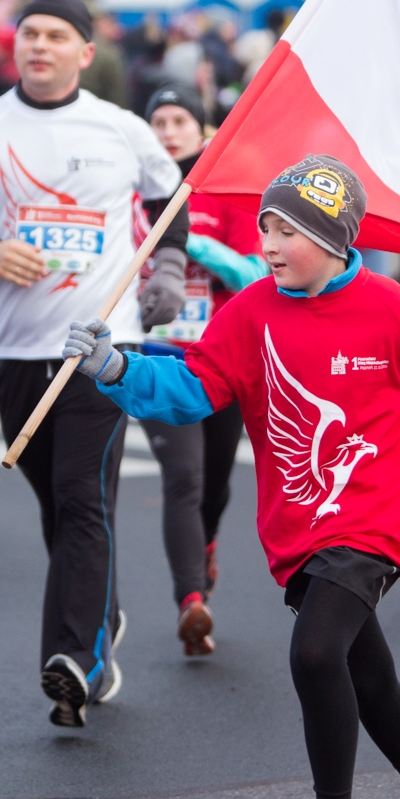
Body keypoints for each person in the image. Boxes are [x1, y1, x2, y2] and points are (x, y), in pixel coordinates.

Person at [62, 155, 400, 799]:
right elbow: (193, 387)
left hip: (375, 515)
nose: (271, 244)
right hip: (298, 524)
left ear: (336, 240)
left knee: (315, 654)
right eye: (266, 228)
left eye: (289, 231)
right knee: (361, 671)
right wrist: (119, 369)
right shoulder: (249, 311)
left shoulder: (396, 307)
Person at [0, 0, 189, 728]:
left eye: (56, 35)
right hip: (15, 351)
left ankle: (75, 660)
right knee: (63, 509)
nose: (40, 45)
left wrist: (165, 272)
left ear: (84, 53)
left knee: (79, 496)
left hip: (102, 347)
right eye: (30, 33)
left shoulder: (121, 128)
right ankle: (102, 614)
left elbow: (173, 198)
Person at [138, 84, 267, 655]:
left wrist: (192, 246)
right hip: (158, 356)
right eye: (158, 122)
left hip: (221, 356)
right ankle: (191, 601)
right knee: (183, 478)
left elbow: (253, 278)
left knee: (215, 482)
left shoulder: (227, 194)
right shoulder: (132, 193)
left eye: (178, 121)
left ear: (202, 129)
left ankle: (205, 549)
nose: (167, 132)